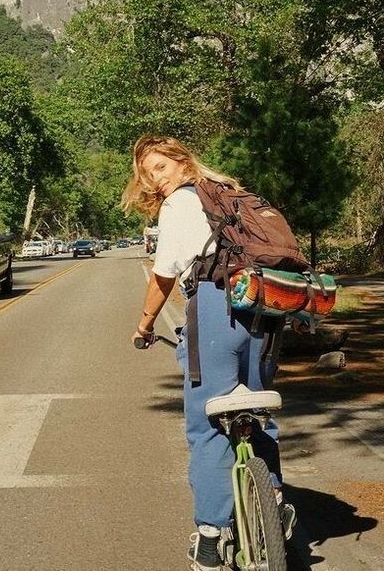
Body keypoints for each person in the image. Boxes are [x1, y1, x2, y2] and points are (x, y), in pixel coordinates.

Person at [122, 135, 295, 571]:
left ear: (182, 163)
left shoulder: (181, 203)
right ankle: (274, 498)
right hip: (265, 305)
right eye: (147, 174)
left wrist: (144, 325)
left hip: (218, 308)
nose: (154, 180)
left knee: (208, 423)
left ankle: (211, 534)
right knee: (256, 408)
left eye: (159, 168)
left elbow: (164, 275)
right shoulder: (232, 195)